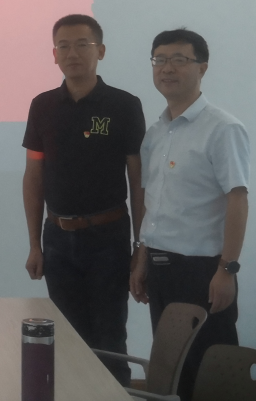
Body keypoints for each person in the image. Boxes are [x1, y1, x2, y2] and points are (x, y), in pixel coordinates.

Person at [21, 14, 146, 386]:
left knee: (109, 337)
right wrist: (35, 244)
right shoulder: (43, 105)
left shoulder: (124, 105)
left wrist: (140, 247)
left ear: (100, 51)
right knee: (67, 338)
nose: (72, 53)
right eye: (63, 46)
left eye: (82, 45)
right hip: (57, 239)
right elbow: (33, 177)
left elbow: (138, 181)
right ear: (54, 55)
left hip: (108, 237)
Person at [130, 28, 248, 401]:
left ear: (202, 68)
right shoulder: (156, 133)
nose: (167, 68)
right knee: (172, 373)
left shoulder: (223, 128)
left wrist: (227, 269)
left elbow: (238, 200)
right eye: (160, 60)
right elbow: (154, 204)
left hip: (203, 272)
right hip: (161, 269)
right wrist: (142, 258)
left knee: (210, 375)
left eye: (179, 60)